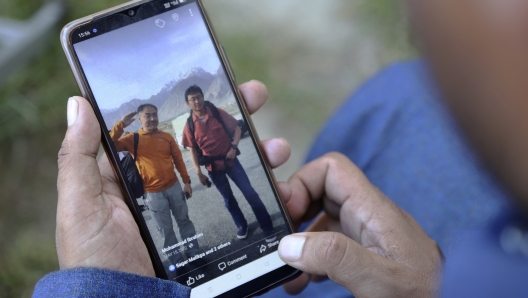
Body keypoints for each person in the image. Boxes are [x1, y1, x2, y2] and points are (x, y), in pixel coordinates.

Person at [181, 85, 275, 242]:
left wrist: (233, 147)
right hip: (213, 169)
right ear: (187, 103)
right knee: (228, 200)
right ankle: (241, 225)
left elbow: (237, 130)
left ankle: (267, 227)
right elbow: (192, 151)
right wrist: (199, 173)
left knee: (250, 193)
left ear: (203, 97)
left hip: (231, 162)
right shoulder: (189, 125)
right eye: (192, 99)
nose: (196, 101)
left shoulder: (217, 113)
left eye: (198, 97)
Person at [110, 104, 199, 268]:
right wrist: (121, 124)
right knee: (165, 231)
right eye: (147, 115)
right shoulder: (132, 139)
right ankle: (177, 263)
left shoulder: (166, 137)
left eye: (154, 115)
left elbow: (179, 160)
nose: (152, 119)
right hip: (152, 194)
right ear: (140, 119)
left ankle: (194, 254)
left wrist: (187, 182)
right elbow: (110, 144)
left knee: (184, 221)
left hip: (174, 188)